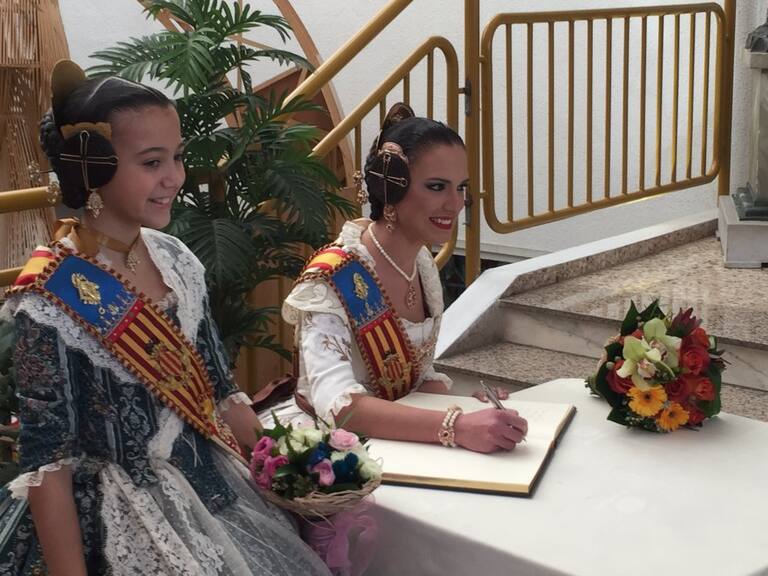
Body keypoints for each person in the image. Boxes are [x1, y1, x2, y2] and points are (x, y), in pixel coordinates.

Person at [0, 60, 330, 576]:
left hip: (212, 483)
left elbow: (221, 390)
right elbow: (49, 464)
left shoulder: (176, 258)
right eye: (152, 161)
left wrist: (288, 470)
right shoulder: (49, 298)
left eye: (176, 156)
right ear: (92, 169)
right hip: (115, 520)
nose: (174, 177)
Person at [275, 103, 528, 454]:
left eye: (461, 188)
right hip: (328, 455)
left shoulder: (421, 264)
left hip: (397, 444)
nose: (455, 204)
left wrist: (470, 409)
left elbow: (415, 380)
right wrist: (457, 425)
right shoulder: (331, 278)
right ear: (390, 188)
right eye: (437, 186)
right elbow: (340, 407)